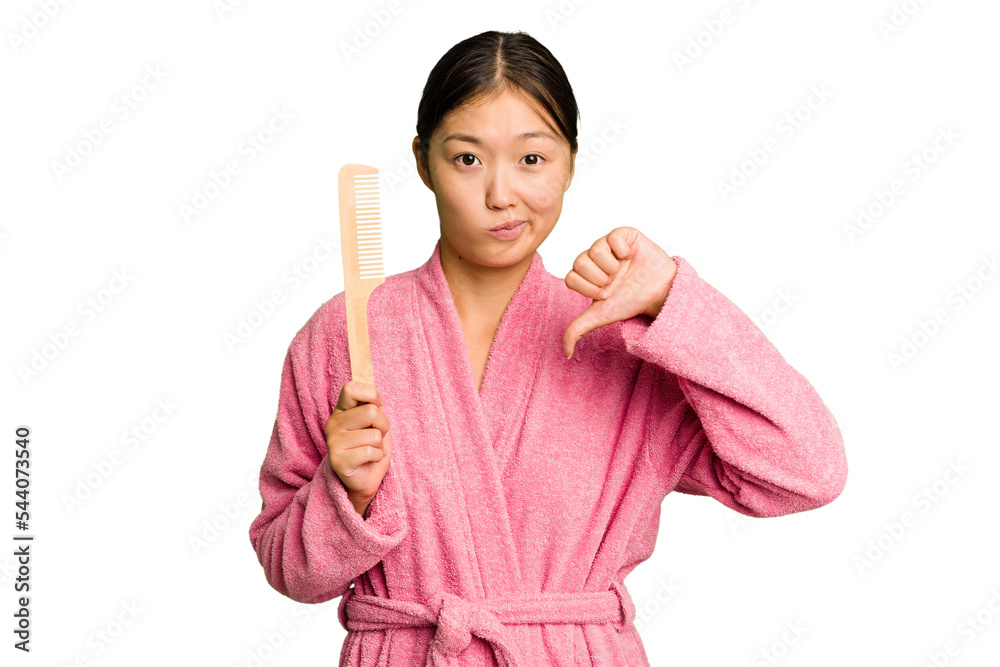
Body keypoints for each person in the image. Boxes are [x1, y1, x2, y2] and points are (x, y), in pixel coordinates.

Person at [249, 30, 848, 667]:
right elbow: (290, 572)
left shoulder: (626, 345)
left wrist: (676, 303)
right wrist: (345, 493)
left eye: (531, 159)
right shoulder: (344, 336)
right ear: (423, 162)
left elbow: (806, 473)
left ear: (570, 163)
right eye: (467, 159)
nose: (500, 194)